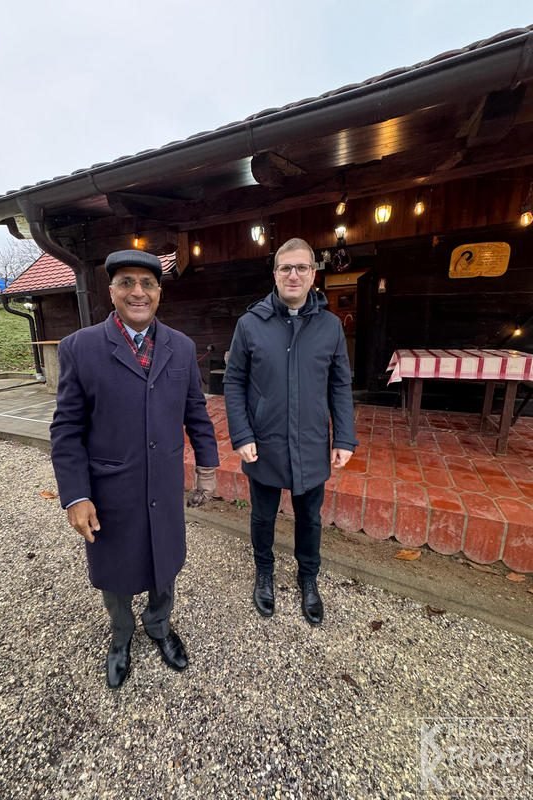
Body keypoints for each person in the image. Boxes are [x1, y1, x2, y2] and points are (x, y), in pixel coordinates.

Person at [50, 250, 219, 688]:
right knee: (117, 570)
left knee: (164, 564)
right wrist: (76, 495)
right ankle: (121, 635)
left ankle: (160, 627)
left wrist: (207, 467)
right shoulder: (80, 348)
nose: (138, 292)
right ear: (112, 292)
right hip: (111, 491)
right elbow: (67, 429)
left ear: (160, 292)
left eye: (148, 283)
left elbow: (196, 412)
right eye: (127, 282)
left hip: (164, 485)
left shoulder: (180, 347)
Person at [223, 237, 357, 625]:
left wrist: (344, 436)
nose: (293, 274)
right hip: (263, 440)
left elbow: (340, 384)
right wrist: (242, 434)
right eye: (286, 268)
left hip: (312, 440)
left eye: (301, 267)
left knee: (309, 518)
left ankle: (308, 578)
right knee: (262, 516)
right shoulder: (250, 324)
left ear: (313, 274)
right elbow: (234, 383)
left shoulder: (330, 327)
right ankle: (264, 573)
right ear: (275, 274)